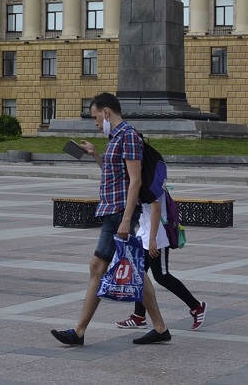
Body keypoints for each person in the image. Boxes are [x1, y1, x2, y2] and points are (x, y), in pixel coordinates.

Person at [51, 92, 171, 346]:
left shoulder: (127, 135)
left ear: (106, 112)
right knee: (134, 270)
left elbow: (135, 181)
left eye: (96, 117)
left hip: (119, 213)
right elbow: (115, 174)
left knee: (97, 267)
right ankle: (160, 328)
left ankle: (79, 331)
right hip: (113, 210)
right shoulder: (116, 136)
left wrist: (127, 220)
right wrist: (96, 154)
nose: (95, 123)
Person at [115, 189, 207, 331]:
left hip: (157, 236)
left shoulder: (152, 181)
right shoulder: (142, 178)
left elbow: (156, 210)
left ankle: (196, 306)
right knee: (140, 275)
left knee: (162, 276)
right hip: (144, 234)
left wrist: (153, 240)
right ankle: (138, 317)